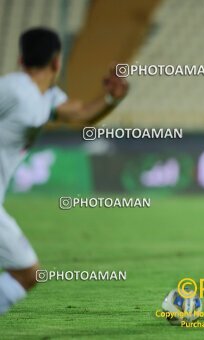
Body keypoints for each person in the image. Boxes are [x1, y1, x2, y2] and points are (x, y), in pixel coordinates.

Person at [0, 27, 128, 314]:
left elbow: (81, 113)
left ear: (21, 58)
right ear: (57, 62)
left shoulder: (45, 95)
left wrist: (111, 99)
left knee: (27, 272)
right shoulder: (13, 89)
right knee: (26, 272)